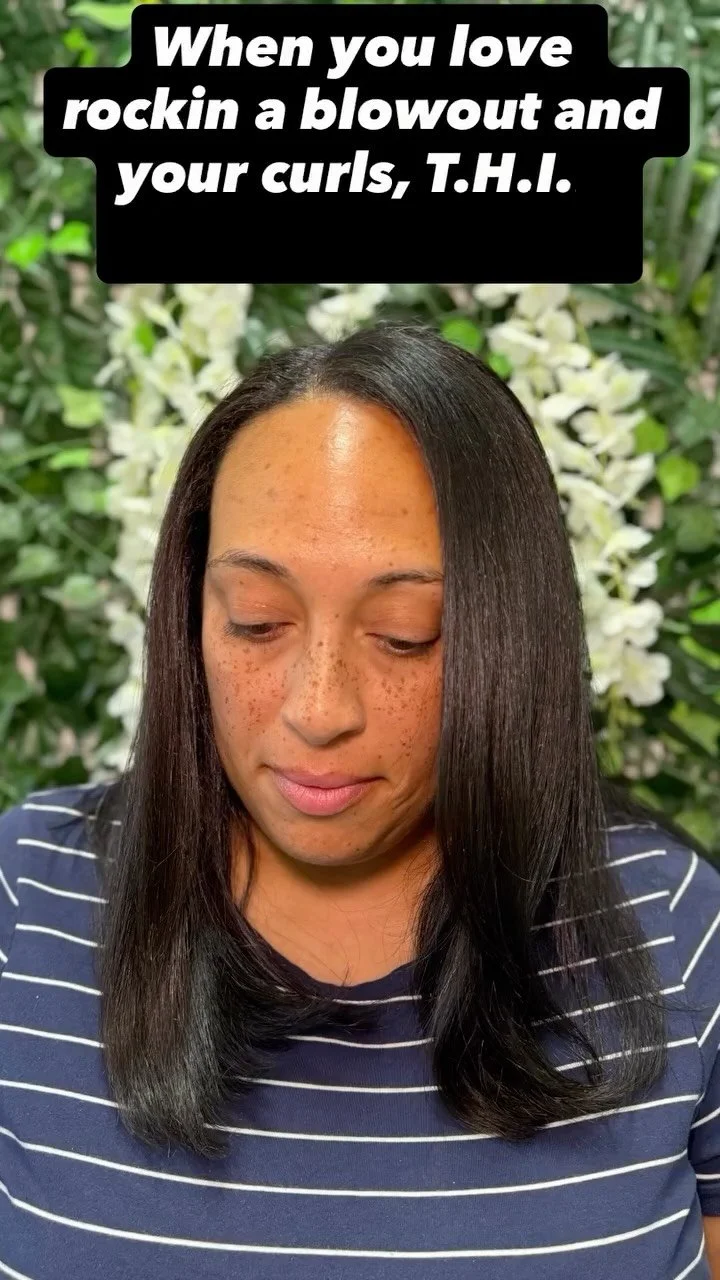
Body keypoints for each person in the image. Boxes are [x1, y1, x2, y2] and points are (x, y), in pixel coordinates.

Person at [0, 320, 719, 1280]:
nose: (319, 709)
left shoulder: (678, 931)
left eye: (405, 634)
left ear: (508, 636)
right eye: (257, 621)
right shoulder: (24, 902)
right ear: (190, 610)